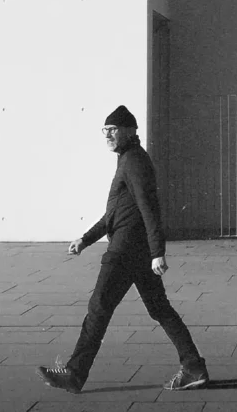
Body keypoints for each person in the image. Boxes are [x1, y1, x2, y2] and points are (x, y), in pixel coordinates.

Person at [36, 105, 208, 393]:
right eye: (105, 130)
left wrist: (158, 251)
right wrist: (86, 238)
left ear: (130, 131)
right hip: (135, 250)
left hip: (125, 251)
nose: (108, 135)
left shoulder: (134, 162)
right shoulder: (128, 160)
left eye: (113, 130)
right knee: (160, 309)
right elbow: (115, 213)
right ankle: (193, 366)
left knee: (99, 308)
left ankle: (74, 374)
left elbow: (148, 207)